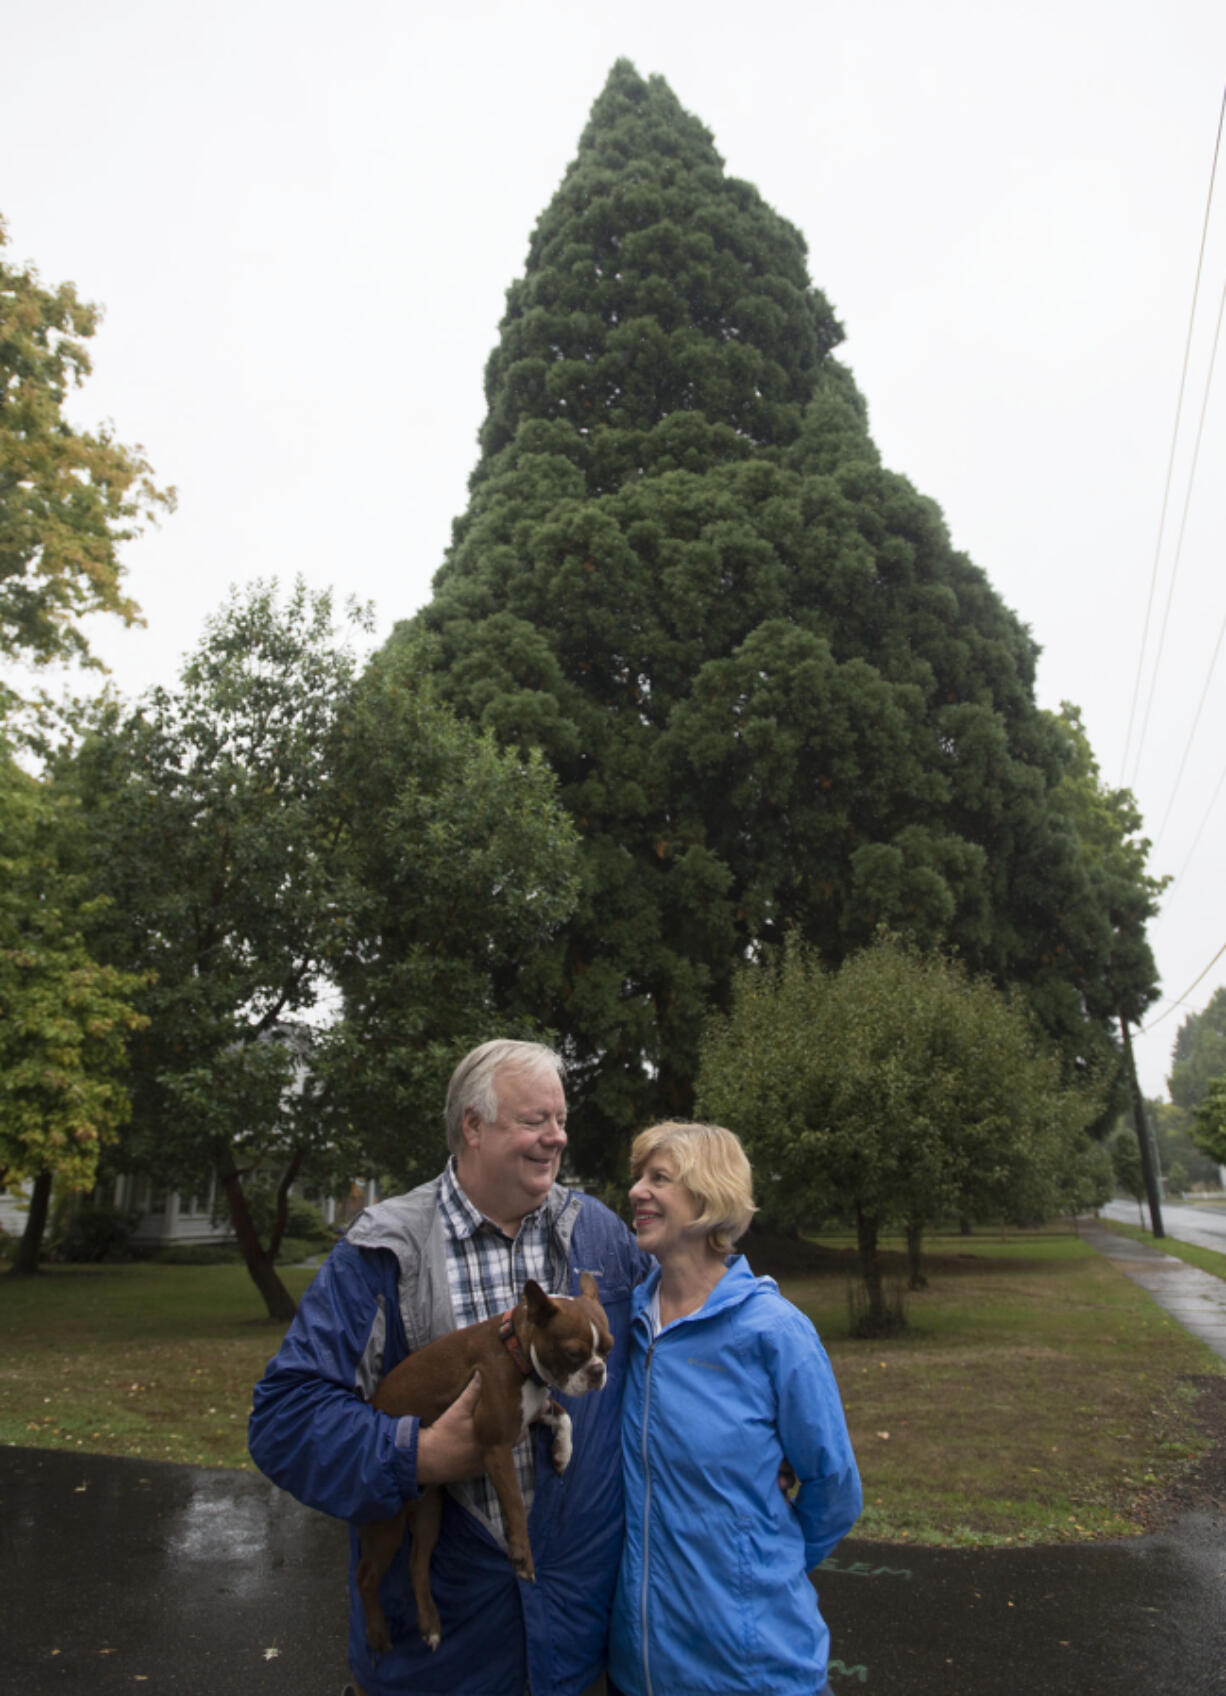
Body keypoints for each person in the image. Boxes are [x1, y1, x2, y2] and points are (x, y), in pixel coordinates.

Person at [249, 1039, 651, 1696]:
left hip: (576, 1647)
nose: (557, 1138)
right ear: (473, 1126)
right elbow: (285, 1421)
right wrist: (421, 1455)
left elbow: (683, 1328)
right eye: (534, 1121)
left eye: (561, 1119)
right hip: (440, 1663)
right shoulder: (383, 1250)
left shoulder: (598, 1237)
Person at [609, 1120, 862, 1696]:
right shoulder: (628, 1325)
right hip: (640, 1669)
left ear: (708, 1198)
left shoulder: (775, 1333)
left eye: (660, 1179)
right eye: (639, 1177)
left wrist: (758, 1565)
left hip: (753, 1668)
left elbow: (835, 1486)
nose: (637, 1191)